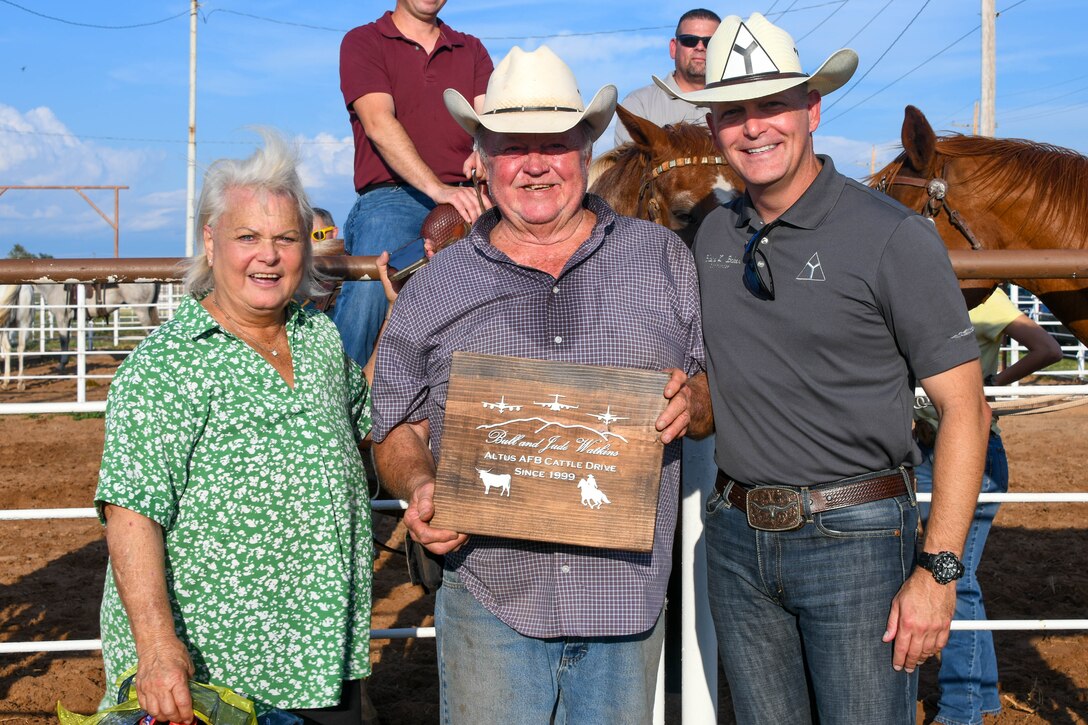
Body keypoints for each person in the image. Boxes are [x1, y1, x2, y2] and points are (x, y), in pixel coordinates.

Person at [659, 12, 992, 724]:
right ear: (714, 126)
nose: (754, 128)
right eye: (733, 113)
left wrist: (937, 572)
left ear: (812, 108)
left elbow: (967, 409)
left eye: (773, 104)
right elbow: (723, 379)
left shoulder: (893, 235)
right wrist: (692, 396)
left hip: (859, 538)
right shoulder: (715, 234)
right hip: (737, 534)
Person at [371, 45, 712, 724]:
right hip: (490, 594)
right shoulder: (436, 285)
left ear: (587, 149)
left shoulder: (663, 260)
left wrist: (697, 400)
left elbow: (707, 391)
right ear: (480, 157)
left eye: (555, 144)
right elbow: (395, 427)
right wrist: (417, 484)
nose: (534, 164)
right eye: (511, 146)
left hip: (624, 599)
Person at [95, 133, 398, 725]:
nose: (269, 255)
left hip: (321, 658)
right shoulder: (167, 366)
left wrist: (403, 315)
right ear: (211, 242)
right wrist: (157, 651)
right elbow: (130, 516)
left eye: (286, 238)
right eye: (248, 237)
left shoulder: (317, 338)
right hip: (215, 678)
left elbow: (365, 416)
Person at [915, 288, 1061, 725]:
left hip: (968, 451)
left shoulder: (988, 300)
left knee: (953, 574)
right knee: (960, 573)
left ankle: (961, 708)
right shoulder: (923, 288)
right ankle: (980, 697)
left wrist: (994, 384)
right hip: (925, 446)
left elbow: (1048, 347)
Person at [334, 0, 494, 366]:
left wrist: (483, 150)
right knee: (370, 295)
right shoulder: (364, 41)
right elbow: (377, 122)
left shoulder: (470, 47)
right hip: (392, 194)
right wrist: (439, 190)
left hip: (467, 194)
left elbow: (488, 120)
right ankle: (337, 398)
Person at [613, 8, 720, 146]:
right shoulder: (639, 105)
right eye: (689, 40)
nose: (700, 47)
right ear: (673, 48)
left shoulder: (738, 103)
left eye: (709, 42)